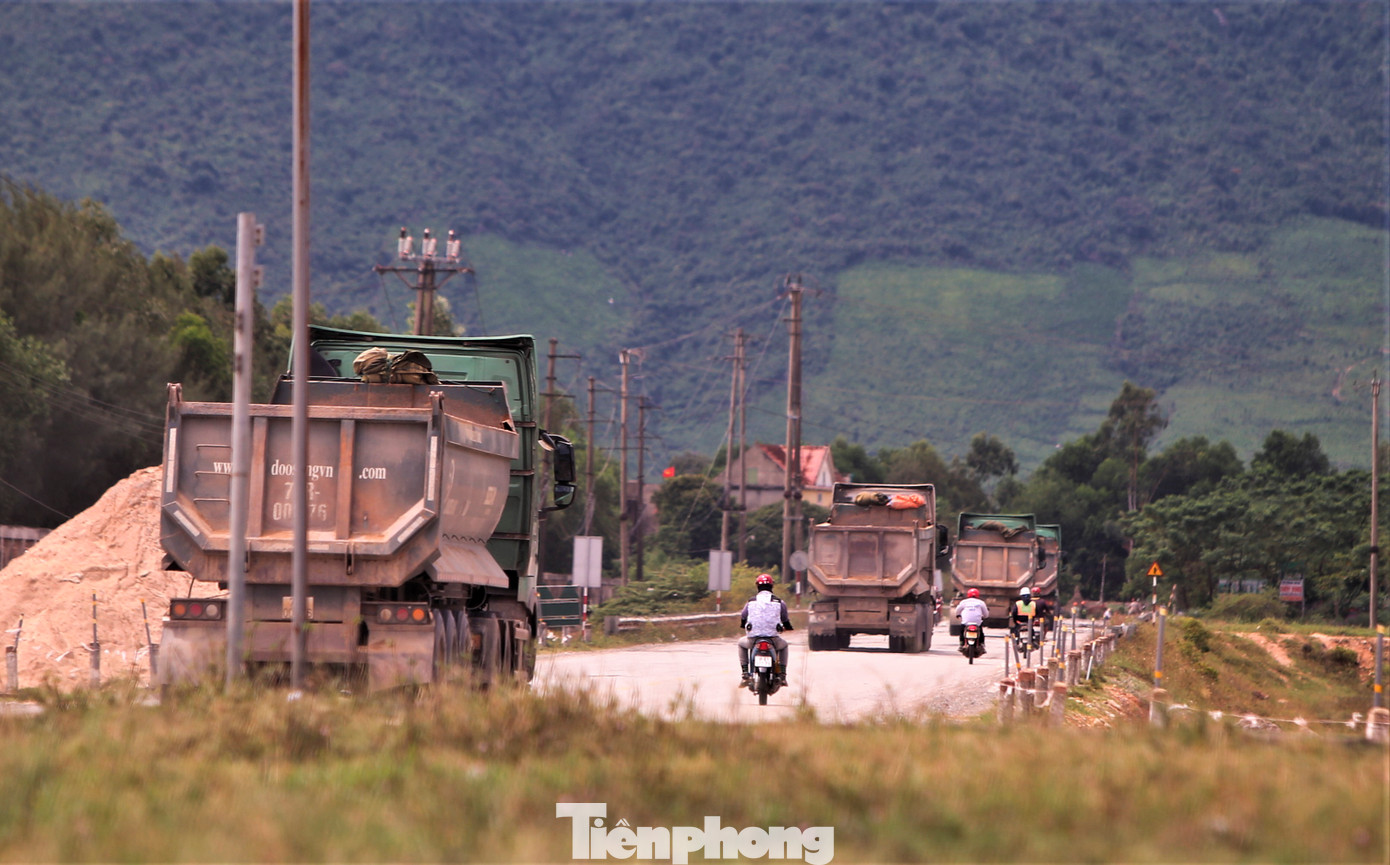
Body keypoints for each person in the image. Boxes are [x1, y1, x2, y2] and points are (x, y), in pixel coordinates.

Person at [739, 573, 792, 686]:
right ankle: (782, 675)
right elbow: (785, 620)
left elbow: (743, 616)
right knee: (784, 646)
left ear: (757, 586)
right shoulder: (779, 602)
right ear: (772, 586)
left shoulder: (750, 601)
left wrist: (744, 625)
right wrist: (787, 627)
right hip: (773, 639)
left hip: (753, 639)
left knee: (741, 643)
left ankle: (745, 673)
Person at [953, 588, 989, 653]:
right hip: (977, 622)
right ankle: (982, 644)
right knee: (981, 632)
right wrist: (984, 617)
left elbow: (957, 611)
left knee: (962, 631)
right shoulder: (981, 602)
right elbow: (986, 614)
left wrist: (958, 615)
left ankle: (961, 644)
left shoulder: (964, 602)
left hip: (966, 622)